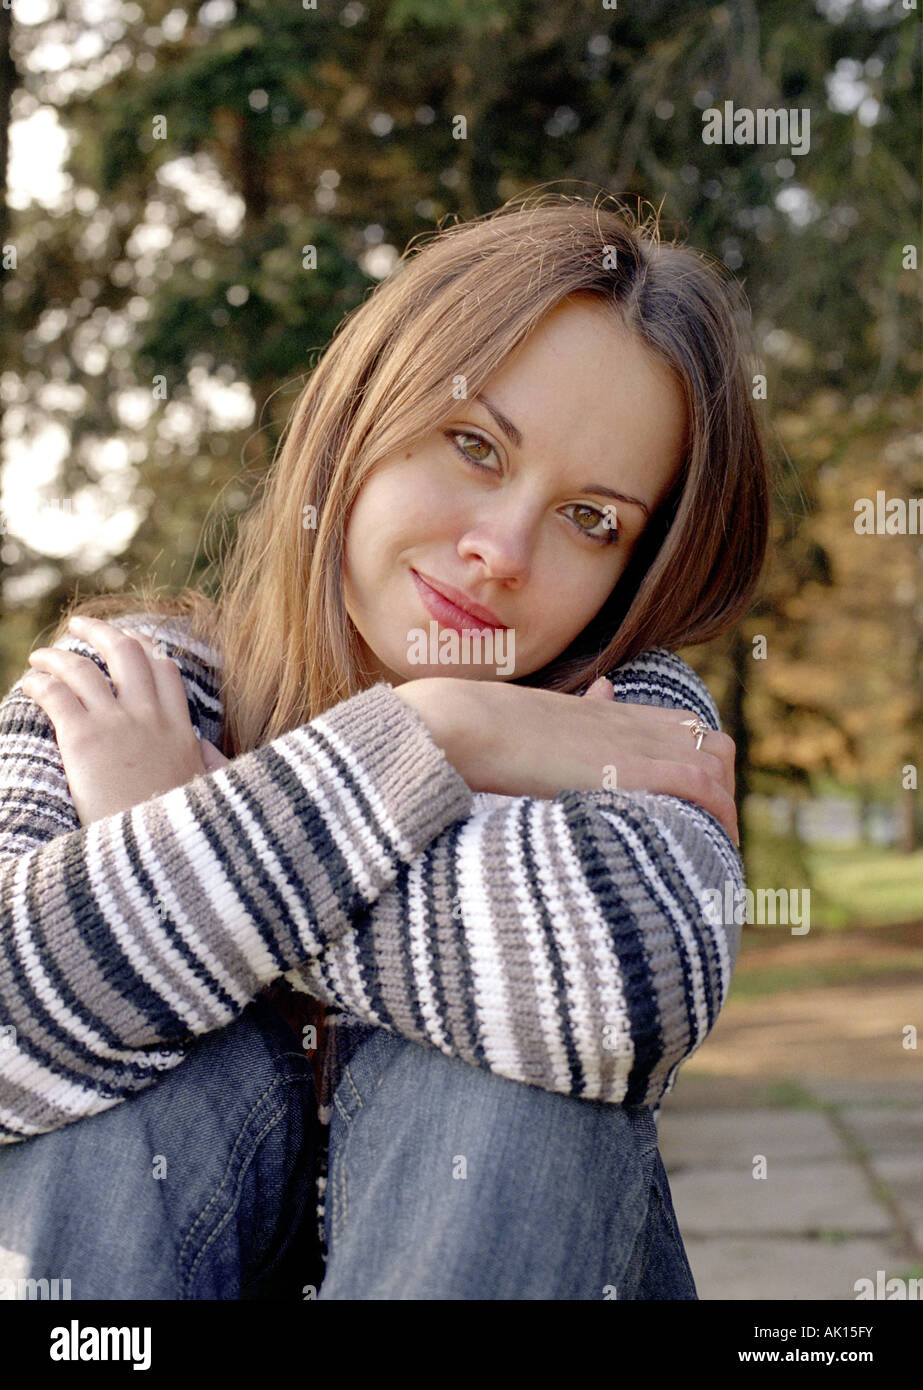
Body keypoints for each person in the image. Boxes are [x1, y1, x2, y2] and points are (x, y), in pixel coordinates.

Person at [0, 191, 768, 1300]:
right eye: (472, 443)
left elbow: (621, 997)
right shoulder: (126, 689)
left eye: (590, 519)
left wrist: (189, 842)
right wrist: (426, 737)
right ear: (363, 409)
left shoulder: (626, 716)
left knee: (515, 1079)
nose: (499, 550)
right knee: (111, 1096)